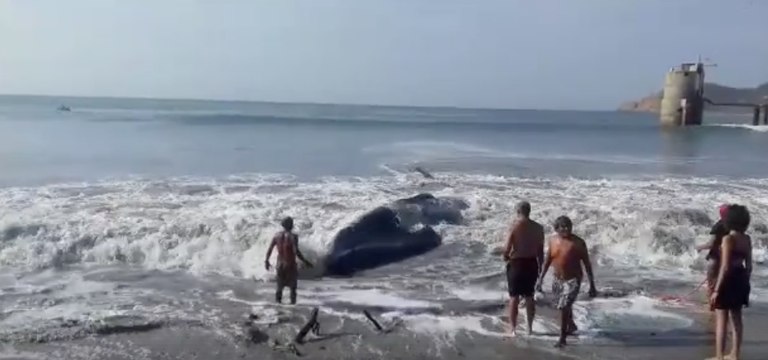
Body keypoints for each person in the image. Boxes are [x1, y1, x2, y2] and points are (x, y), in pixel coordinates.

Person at [537, 216, 597, 348]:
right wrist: (540, 279)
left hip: (573, 280)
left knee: (563, 307)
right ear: (556, 228)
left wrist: (592, 285)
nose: (566, 229)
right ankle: (572, 326)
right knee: (561, 306)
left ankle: (562, 338)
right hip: (557, 279)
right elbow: (548, 260)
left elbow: (587, 264)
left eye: (568, 226)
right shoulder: (552, 240)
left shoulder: (578, 243)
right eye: (563, 226)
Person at [709, 204, 752, 360]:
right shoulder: (747, 239)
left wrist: (716, 290)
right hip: (741, 279)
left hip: (728, 280)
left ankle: (719, 356)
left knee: (721, 319)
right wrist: (745, 283)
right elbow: (749, 266)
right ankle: (735, 354)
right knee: (737, 319)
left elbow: (725, 267)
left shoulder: (728, 239)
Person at [502, 201, 545, 336]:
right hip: (532, 264)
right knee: (529, 297)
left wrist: (505, 257)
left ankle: (513, 329)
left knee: (514, 297)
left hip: (517, 263)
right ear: (529, 211)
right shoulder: (538, 228)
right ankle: (530, 328)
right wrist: (541, 267)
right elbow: (540, 251)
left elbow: (507, 248)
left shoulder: (514, 226)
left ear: (518, 211)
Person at [265, 217, 313, 305]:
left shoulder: (276, 235)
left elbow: (270, 249)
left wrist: (266, 261)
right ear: (291, 225)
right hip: (290, 264)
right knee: (292, 289)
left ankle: (278, 306)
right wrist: (305, 261)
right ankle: (292, 307)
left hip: (280, 265)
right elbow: (295, 251)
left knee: (279, 288)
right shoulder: (293, 236)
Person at [697, 204, 730, 300]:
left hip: (717, 256)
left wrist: (699, 247)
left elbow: (710, 244)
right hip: (727, 256)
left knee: (712, 276)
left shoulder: (718, 226)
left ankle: (711, 297)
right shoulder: (735, 227)